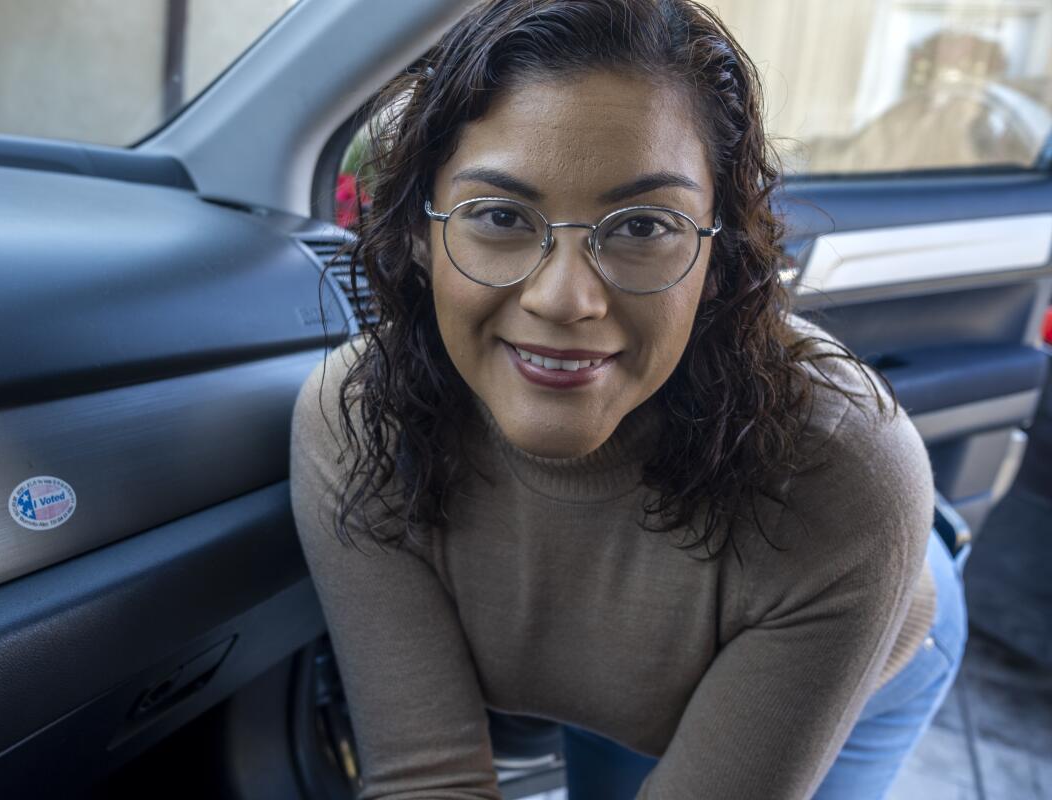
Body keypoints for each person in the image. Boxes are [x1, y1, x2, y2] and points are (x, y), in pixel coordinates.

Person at [290, 1, 968, 798]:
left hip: (860, 649)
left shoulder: (847, 473)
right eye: (501, 215)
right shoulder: (355, 422)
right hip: (616, 690)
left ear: (721, 254)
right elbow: (427, 781)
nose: (565, 300)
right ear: (417, 231)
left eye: (643, 227)